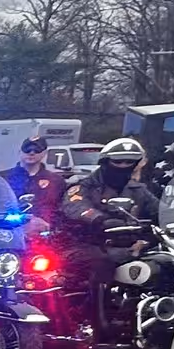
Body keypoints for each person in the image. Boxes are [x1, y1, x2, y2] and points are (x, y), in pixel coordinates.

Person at [56, 137, 158, 330]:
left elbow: (161, 210)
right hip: (82, 245)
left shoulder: (138, 190)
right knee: (103, 262)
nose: (123, 166)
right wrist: (98, 218)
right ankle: (97, 322)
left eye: (129, 162)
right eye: (118, 162)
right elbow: (74, 205)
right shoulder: (84, 185)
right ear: (105, 162)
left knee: (163, 263)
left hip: (126, 247)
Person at [3, 136, 66, 224]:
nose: (31, 153)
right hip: (11, 229)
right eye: (27, 149)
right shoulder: (4, 178)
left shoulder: (56, 181)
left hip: (45, 231)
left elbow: (61, 209)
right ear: (20, 152)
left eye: (37, 150)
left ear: (44, 153)